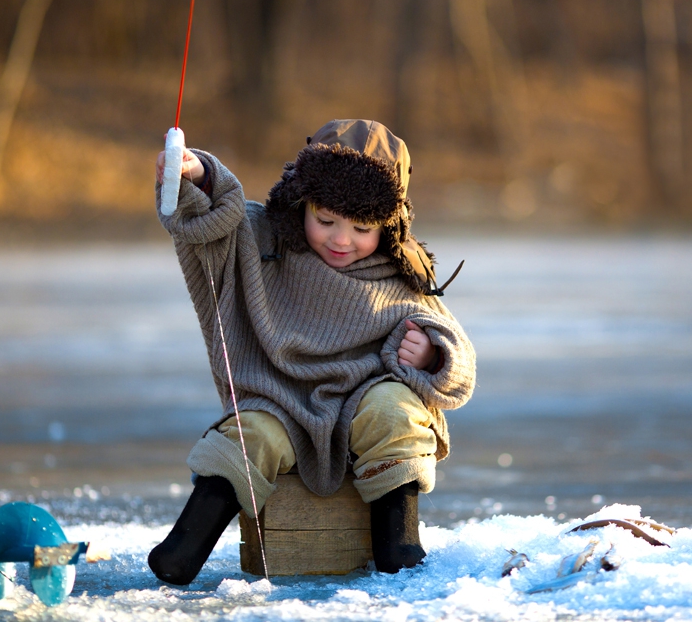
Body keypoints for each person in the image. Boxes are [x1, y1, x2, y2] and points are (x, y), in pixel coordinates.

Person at [147, 119, 476, 584]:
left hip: (363, 410)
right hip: (279, 402)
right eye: (326, 221)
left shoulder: (399, 274)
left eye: (363, 227)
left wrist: (430, 356)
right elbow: (219, 214)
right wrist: (197, 174)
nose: (342, 240)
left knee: (395, 409)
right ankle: (183, 550)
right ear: (300, 202)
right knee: (249, 434)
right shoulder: (264, 240)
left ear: (390, 223)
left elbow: (459, 363)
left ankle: (399, 544)